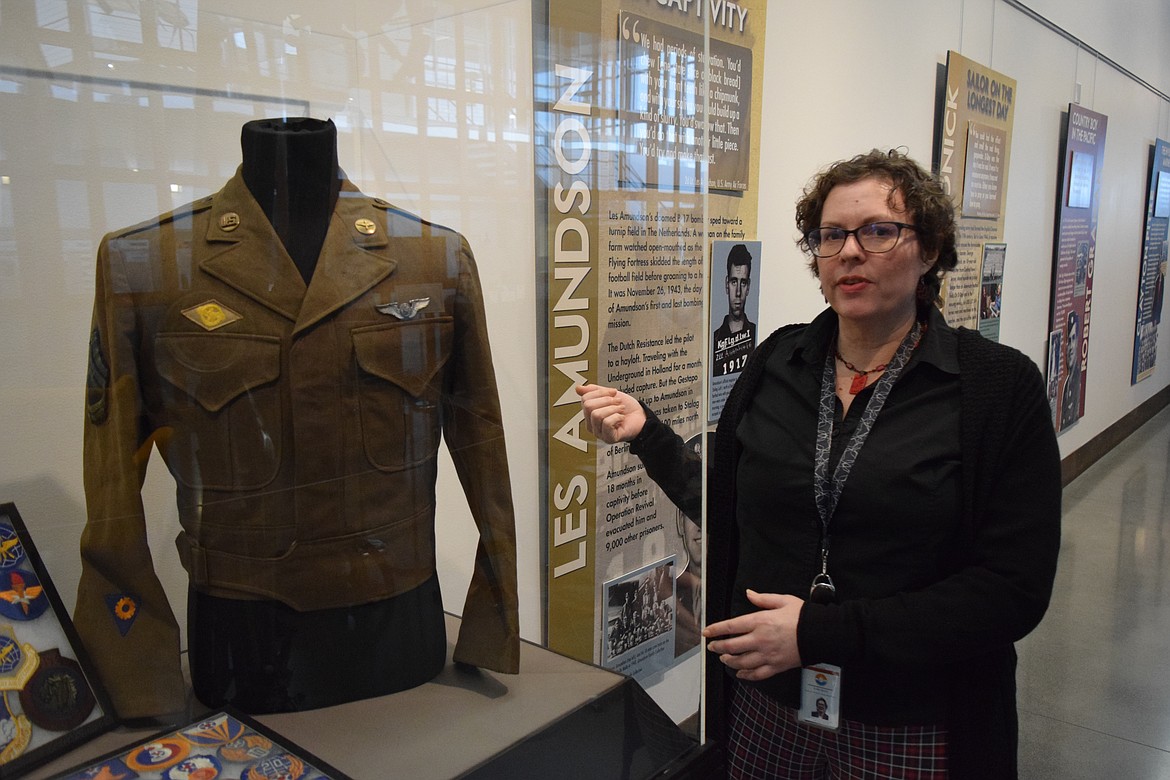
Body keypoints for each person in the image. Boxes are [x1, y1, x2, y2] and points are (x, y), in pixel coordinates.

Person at [579, 149, 1061, 779]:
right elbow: (733, 508)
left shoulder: (995, 389)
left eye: (879, 231)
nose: (849, 252)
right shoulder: (780, 363)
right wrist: (647, 434)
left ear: (932, 249)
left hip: (911, 720)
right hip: (769, 709)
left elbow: (1012, 591)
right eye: (830, 235)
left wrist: (820, 634)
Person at [712, 243, 757, 376]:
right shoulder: (715, 339)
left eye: (743, 283)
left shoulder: (755, 334)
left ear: (748, 287)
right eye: (733, 282)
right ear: (727, 285)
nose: (738, 292)